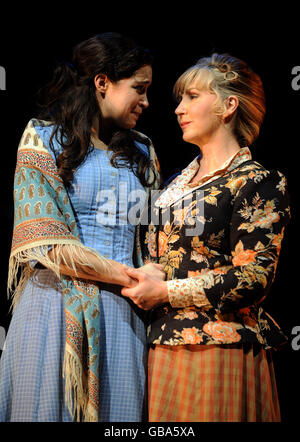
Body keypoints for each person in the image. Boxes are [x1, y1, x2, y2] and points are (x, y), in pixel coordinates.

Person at [0, 32, 164, 422]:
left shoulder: (143, 150)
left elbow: (157, 236)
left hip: (123, 317)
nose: (146, 101)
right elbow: (44, 242)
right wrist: (127, 275)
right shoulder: (42, 138)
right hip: (53, 309)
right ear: (102, 82)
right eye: (139, 89)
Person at [121, 53, 291, 422]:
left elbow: (254, 277)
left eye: (193, 97)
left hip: (218, 345)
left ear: (229, 105)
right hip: (158, 346)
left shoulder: (255, 181)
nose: (179, 109)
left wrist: (166, 292)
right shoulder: (172, 186)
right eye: (180, 99)